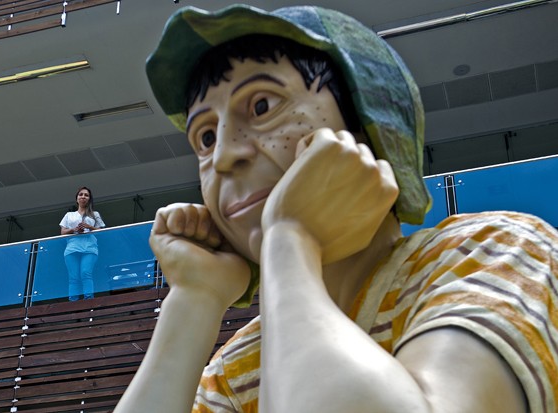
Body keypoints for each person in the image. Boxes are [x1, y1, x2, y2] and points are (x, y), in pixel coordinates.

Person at [115, 5, 557, 413]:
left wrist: (291, 236)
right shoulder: (235, 369)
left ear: (366, 129)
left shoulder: (494, 251)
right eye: (206, 138)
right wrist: (194, 299)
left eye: (262, 106)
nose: (225, 154)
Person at [59, 186, 105, 301]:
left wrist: (90, 227)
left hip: (89, 248)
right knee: (73, 277)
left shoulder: (95, 214)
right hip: (72, 248)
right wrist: (74, 230)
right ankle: (73, 303)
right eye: (81, 194)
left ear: (89, 199)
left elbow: (102, 231)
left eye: (86, 195)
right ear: (77, 198)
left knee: (86, 273)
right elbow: (62, 232)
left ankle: (89, 301)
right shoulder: (69, 215)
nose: (83, 196)